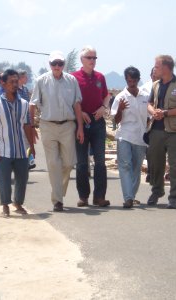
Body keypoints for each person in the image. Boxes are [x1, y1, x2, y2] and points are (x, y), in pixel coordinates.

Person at [30, 50, 84, 212]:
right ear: (50, 64)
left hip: (68, 125)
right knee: (53, 163)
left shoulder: (71, 80)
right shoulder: (41, 81)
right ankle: (58, 200)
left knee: (68, 163)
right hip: (48, 125)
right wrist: (31, 126)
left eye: (60, 63)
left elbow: (77, 104)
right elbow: (32, 104)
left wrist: (80, 127)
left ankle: (58, 192)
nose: (57, 66)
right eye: (54, 63)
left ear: (64, 65)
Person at [147, 55, 176, 209]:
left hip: (174, 131)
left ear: (166, 67)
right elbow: (149, 104)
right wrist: (154, 112)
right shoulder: (156, 85)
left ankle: (174, 197)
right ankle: (157, 191)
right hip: (156, 130)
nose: (155, 69)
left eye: (157, 66)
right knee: (155, 164)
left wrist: (165, 113)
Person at [0, 69, 35, 218]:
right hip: (3, 149)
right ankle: (5, 206)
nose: (15, 85)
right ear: (3, 83)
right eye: (12, 82)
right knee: (3, 179)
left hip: (22, 149)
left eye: (16, 81)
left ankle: (18, 203)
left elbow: (28, 126)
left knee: (23, 178)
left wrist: (32, 146)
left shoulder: (24, 104)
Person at [72, 46, 110, 207]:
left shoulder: (100, 77)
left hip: (98, 122)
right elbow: (71, 100)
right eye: (89, 58)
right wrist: (80, 114)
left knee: (100, 161)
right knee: (81, 162)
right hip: (80, 123)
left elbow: (106, 96)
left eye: (94, 58)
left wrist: (104, 107)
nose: (92, 61)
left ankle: (99, 196)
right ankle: (83, 196)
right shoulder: (73, 78)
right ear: (82, 60)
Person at [110, 67, 149, 208]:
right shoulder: (121, 97)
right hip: (125, 135)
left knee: (136, 168)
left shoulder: (145, 96)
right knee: (125, 166)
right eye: (128, 80)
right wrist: (120, 109)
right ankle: (128, 197)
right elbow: (116, 120)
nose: (131, 83)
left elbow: (149, 117)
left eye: (133, 80)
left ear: (138, 80)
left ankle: (131, 195)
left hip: (140, 137)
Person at [141, 67, 159, 184]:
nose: (155, 76)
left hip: (160, 121)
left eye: (157, 74)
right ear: (150, 75)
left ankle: (156, 173)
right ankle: (150, 173)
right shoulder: (144, 88)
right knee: (149, 149)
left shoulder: (164, 86)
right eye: (153, 74)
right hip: (147, 122)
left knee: (159, 149)